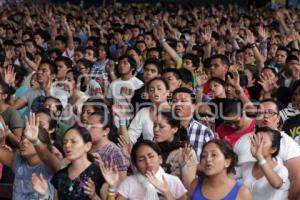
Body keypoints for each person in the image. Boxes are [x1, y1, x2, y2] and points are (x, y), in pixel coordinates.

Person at [26, 113, 106, 200]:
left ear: (87, 146)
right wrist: (44, 195)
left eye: (73, 141)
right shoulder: (60, 176)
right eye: (64, 142)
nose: (67, 145)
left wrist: (94, 196)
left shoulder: (99, 173)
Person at [234, 99, 300, 199]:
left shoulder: (288, 143)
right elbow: (232, 174)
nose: (265, 116)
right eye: (260, 113)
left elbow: (297, 179)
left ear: (278, 118)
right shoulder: (242, 140)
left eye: (270, 112)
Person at [101, 140, 188, 200]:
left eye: (151, 156)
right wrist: (112, 187)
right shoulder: (129, 182)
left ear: (160, 159)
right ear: (135, 165)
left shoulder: (173, 181)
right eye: (141, 160)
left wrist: (166, 192)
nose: (148, 162)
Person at [0, 114, 54, 200]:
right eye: (22, 138)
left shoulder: (50, 166)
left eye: (30, 139)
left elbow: (54, 162)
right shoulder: (18, 161)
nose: (24, 142)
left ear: (43, 144)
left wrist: (35, 141)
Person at [237, 127, 289, 200]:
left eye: (262, 142)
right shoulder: (246, 166)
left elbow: (277, 184)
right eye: (255, 140)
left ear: (273, 149)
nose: (257, 145)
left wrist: (259, 157)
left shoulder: (281, 169)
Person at [153, 110, 198, 189]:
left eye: (161, 126)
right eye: (154, 126)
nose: (156, 129)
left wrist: (183, 167)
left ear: (175, 129)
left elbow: (189, 187)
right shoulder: (151, 149)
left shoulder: (186, 151)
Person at [171, 87, 214, 157]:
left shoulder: (205, 132)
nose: (178, 104)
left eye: (183, 101)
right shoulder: (163, 128)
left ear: (193, 107)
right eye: (174, 101)